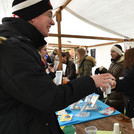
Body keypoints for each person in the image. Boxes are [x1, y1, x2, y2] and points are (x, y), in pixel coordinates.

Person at [0, 0, 115, 134]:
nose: (53, 22)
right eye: (49, 15)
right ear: (32, 15)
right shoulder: (13, 49)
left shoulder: (19, 46)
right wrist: (91, 81)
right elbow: (50, 98)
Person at [95, 44, 126, 113]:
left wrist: (103, 70)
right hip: (111, 92)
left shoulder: (122, 64)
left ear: (118, 53)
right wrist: (102, 71)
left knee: (117, 114)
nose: (110, 54)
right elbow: (109, 73)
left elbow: (113, 76)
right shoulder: (114, 62)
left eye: (113, 52)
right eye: (110, 51)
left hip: (118, 95)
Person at [113, 48, 134, 118]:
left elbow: (128, 83)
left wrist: (115, 83)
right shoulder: (113, 63)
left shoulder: (130, 68)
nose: (111, 53)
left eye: (113, 51)